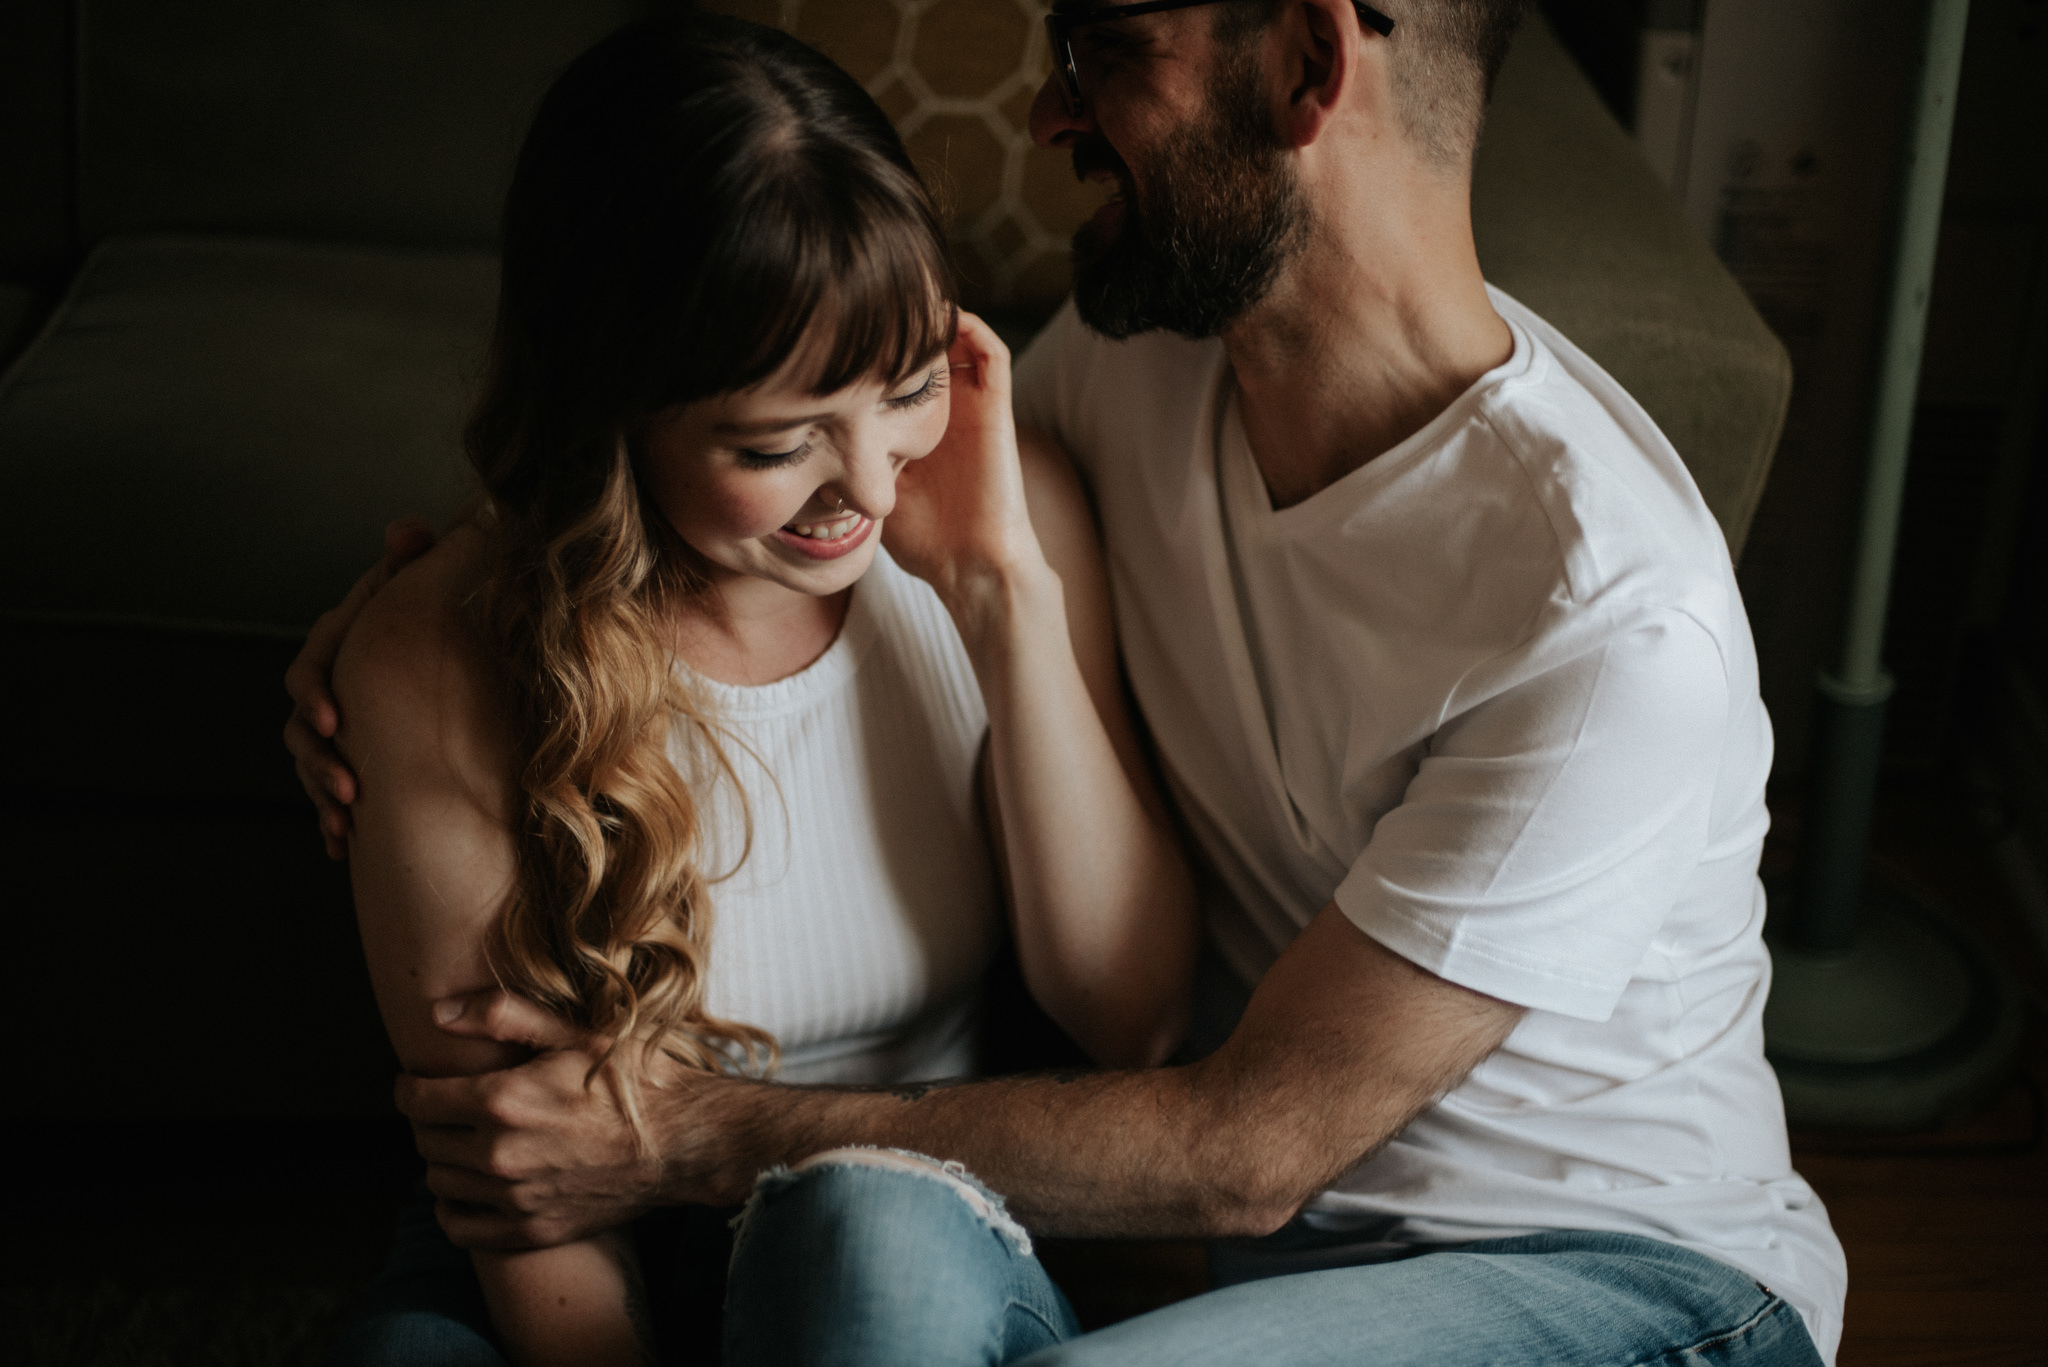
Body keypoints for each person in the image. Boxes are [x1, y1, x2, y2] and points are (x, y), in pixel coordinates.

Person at [290, 1, 1850, 1364]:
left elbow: (1239, 1145)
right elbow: (740, 399)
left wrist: (678, 1134)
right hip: (1272, 1274)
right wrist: (427, 625)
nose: (1047, 108)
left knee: (888, 1258)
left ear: (1311, 60)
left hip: (1628, 1286)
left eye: (1110, 45)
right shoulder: (1137, 369)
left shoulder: (1606, 619)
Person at [298, 12, 1197, 1365]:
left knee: (858, 1252)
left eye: (905, 391)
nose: (875, 488)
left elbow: (1133, 1011)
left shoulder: (1016, 518)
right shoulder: (433, 653)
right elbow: (519, 1189)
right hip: (564, 1238)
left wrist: (1004, 596)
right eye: (780, 443)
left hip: (897, 1215)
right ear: (620, 409)